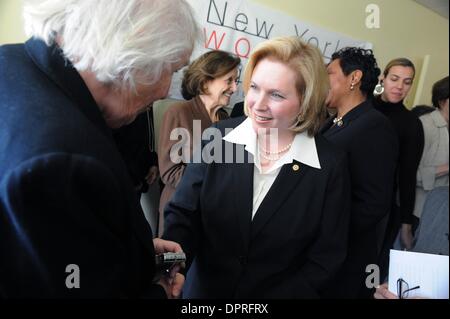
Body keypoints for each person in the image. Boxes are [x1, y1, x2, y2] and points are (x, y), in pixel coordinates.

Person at [0, 0, 199, 298]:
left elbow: (65, 254)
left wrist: (134, 253)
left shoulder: (12, 61)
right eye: (171, 69)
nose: (165, 91)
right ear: (133, 51)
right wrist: (160, 293)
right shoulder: (64, 162)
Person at [162, 36, 351, 298]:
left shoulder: (329, 164)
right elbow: (184, 214)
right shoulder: (218, 137)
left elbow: (326, 256)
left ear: (305, 100)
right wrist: (175, 266)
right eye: (254, 87)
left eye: (276, 94)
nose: (257, 105)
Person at [320, 47, 398, 298]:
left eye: (329, 73)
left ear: (354, 78)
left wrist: (325, 231)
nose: (323, 81)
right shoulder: (334, 121)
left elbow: (374, 203)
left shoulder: (375, 126)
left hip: (344, 259)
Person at [158, 50, 240, 236]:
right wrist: (216, 186)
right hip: (181, 214)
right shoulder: (179, 112)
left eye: (236, 81)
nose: (235, 88)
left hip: (212, 218)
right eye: (229, 80)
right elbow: (170, 173)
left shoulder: (225, 119)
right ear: (205, 82)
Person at [374, 58, 424, 272]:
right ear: (382, 78)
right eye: (394, 79)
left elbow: (407, 175)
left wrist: (406, 223)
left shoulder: (412, 123)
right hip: (342, 193)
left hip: (381, 207)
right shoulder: (361, 105)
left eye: (407, 81)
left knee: (367, 269)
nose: (399, 86)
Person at [414, 76, 449, 219]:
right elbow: (413, 174)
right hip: (418, 210)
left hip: (440, 210)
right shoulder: (425, 125)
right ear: (442, 101)